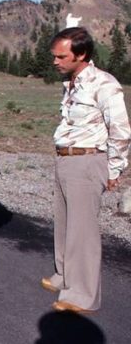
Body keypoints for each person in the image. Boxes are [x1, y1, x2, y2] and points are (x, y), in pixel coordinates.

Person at [42, 27, 130, 313]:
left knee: (83, 230)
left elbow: (120, 130)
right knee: (65, 223)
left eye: (61, 56)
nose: (55, 61)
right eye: (54, 55)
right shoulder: (71, 82)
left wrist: (115, 169)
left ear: (81, 54)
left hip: (88, 160)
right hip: (65, 158)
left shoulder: (104, 84)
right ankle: (65, 275)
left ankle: (82, 294)